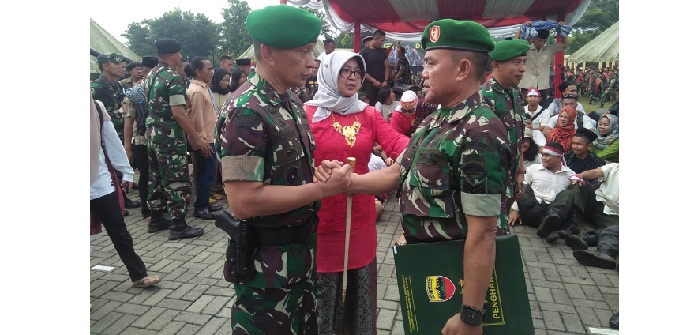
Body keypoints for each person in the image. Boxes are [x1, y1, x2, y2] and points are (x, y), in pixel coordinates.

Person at [316, 19, 513, 335]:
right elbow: (397, 172)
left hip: (458, 278)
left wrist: (471, 315)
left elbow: (484, 232)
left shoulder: (480, 133)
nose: (422, 71)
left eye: (432, 63)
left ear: (463, 69)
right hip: (430, 268)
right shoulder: (438, 120)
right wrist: (346, 183)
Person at [214, 5, 352, 334]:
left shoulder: (289, 101)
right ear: (269, 53)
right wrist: (322, 190)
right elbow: (244, 201)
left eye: (313, 51)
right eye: (303, 51)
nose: (312, 61)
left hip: (300, 257)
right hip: (268, 269)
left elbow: (290, 171)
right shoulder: (245, 111)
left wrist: (321, 171)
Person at [304, 50, 410, 335]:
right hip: (321, 219)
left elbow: (396, 141)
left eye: (357, 72)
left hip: (360, 218)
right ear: (328, 72)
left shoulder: (368, 113)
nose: (353, 77)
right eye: (345, 70)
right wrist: (311, 172)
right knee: (324, 298)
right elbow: (297, 162)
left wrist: (415, 150)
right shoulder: (307, 114)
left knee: (359, 295)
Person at [142, 38, 210, 239]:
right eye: (179, 53)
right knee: (177, 179)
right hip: (169, 137)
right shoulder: (173, 78)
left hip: (152, 134)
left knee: (156, 178)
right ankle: (178, 226)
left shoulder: (151, 75)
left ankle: (156, 218)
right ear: (172, 54)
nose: (181, 57)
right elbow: (179, 113)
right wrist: (196, 137)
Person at [91, 96, 161, 288]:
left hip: (99, 182)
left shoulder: (95, 107)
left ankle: (138, 275)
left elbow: (111, 140)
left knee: (119, 231)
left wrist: (127, 172)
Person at [482, 38, 530, 233]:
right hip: (490, 178)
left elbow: (518, 137)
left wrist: (520, 170)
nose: (522, 69)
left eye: (524, 62)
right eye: (517, 62)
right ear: (496, 65)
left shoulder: (515, 94)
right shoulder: (484, 96)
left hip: (510, 176)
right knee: (490, 230)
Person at [91, 52, 141, 212]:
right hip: (104, 136)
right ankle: (114, 201)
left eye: (123, 64)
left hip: (120, 132)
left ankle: (123, 198)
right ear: (105, 66)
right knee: (109, 168)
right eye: (117, 64)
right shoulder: (97, 88)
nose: (122, 67)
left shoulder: (118, 85)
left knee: (120, 167)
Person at [507, 142, 578, 238]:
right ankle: (546, 225)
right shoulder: (533, 169)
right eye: (542, 155)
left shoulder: (570, 174)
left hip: (553, 212)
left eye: (547, 155)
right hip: (532, 211)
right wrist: (515, 209)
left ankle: (548, 224)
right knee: (522, 186)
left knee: (568, 194)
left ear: (558, 158)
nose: (543, 158)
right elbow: (521, 191)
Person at [184, 57, 224, 220]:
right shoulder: (196, 91)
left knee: (209, 174)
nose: (212, 71)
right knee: (204, 174)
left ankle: (205, 203)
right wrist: (201, 141)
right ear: (198, 72)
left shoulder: (203, 88)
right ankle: (200, 207)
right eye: (208, 68)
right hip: (204, 140)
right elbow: (196, 119)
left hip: (210, 137)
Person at [516, 22, 569, 108]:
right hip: (527, 85)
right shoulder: (526, 48)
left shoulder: (549, 49)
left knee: (543, 109)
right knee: (523, 108)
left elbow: (565, 44)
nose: (542, 43)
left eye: (544, 41)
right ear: (534, 38)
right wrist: (522, 27)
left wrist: (562, 29)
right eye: (540, 40)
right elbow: (515, 43)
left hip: (542, 86)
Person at [360, 30, 389, 106]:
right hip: (370, 85)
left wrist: (385, 80)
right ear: (375, 38)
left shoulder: (382, 52)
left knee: (383, 104)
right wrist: (373, 81)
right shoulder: (363, 53)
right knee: (371, 104)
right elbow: (362, 71)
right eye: (381, 40)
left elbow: (386, 67)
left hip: (383, 84)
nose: (382, 43)